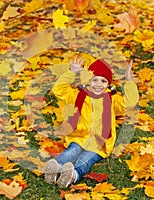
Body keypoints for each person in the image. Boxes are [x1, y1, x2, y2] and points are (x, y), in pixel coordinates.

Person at [44, 56, 139, 188]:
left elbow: (130, 102)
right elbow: (58, 90)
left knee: (85, 160)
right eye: (94, 80)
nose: (98, 84)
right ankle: (54, 169)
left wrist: (129, 81)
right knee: (71, 152)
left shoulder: (112, 100)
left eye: (103, 81)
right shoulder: (78, 95)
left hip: (99, 143)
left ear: (108, 84)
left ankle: (72, 175)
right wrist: (72, 72)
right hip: (79, 137)